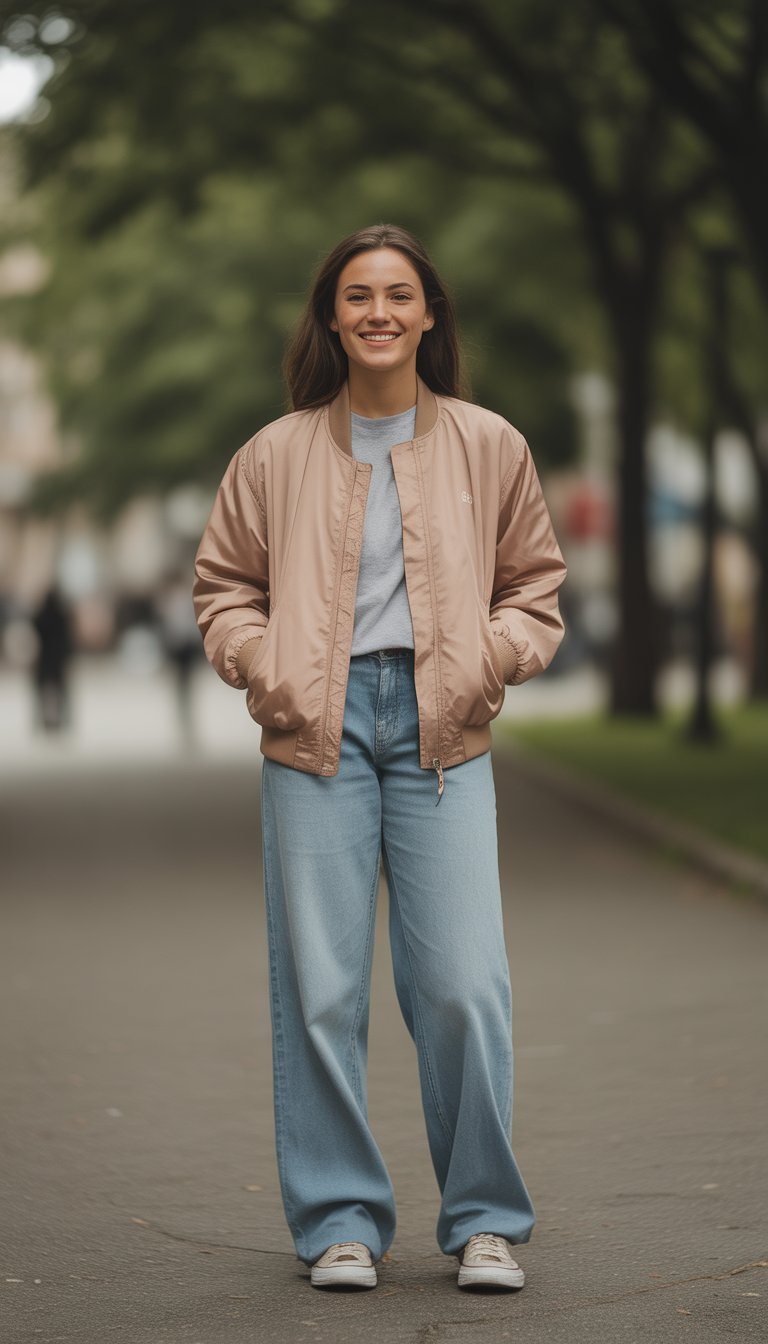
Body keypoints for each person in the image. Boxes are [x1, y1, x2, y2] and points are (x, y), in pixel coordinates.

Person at [193, 224, 567, 1293]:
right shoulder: (274, 453)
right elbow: (224, 586)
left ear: (430, 313)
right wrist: (265, 668)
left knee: (462, 985)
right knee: (321, 988)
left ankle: (486, 1219)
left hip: (443, 731)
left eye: (398, 294)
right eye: (357, 296)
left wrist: (490, 660)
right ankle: (339, 1223)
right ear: (330, 317)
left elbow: (534, 587)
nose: (378, 313)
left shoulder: (490, 444)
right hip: (316, 733)